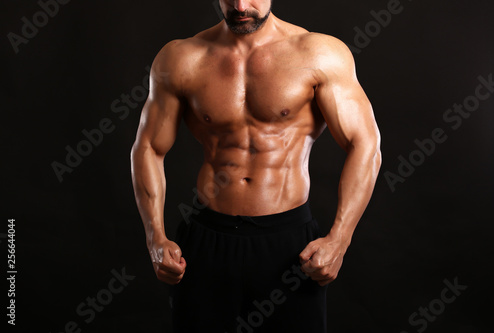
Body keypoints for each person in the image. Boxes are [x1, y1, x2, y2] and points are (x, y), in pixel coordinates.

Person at [131, 1, 381, 332]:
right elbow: (148, 146)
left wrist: (340, 239)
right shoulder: (181, 58)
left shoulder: (319, 54)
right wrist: (155, 237)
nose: (240, 5)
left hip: (289, 247)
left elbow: (365, 144)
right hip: (207, 243)